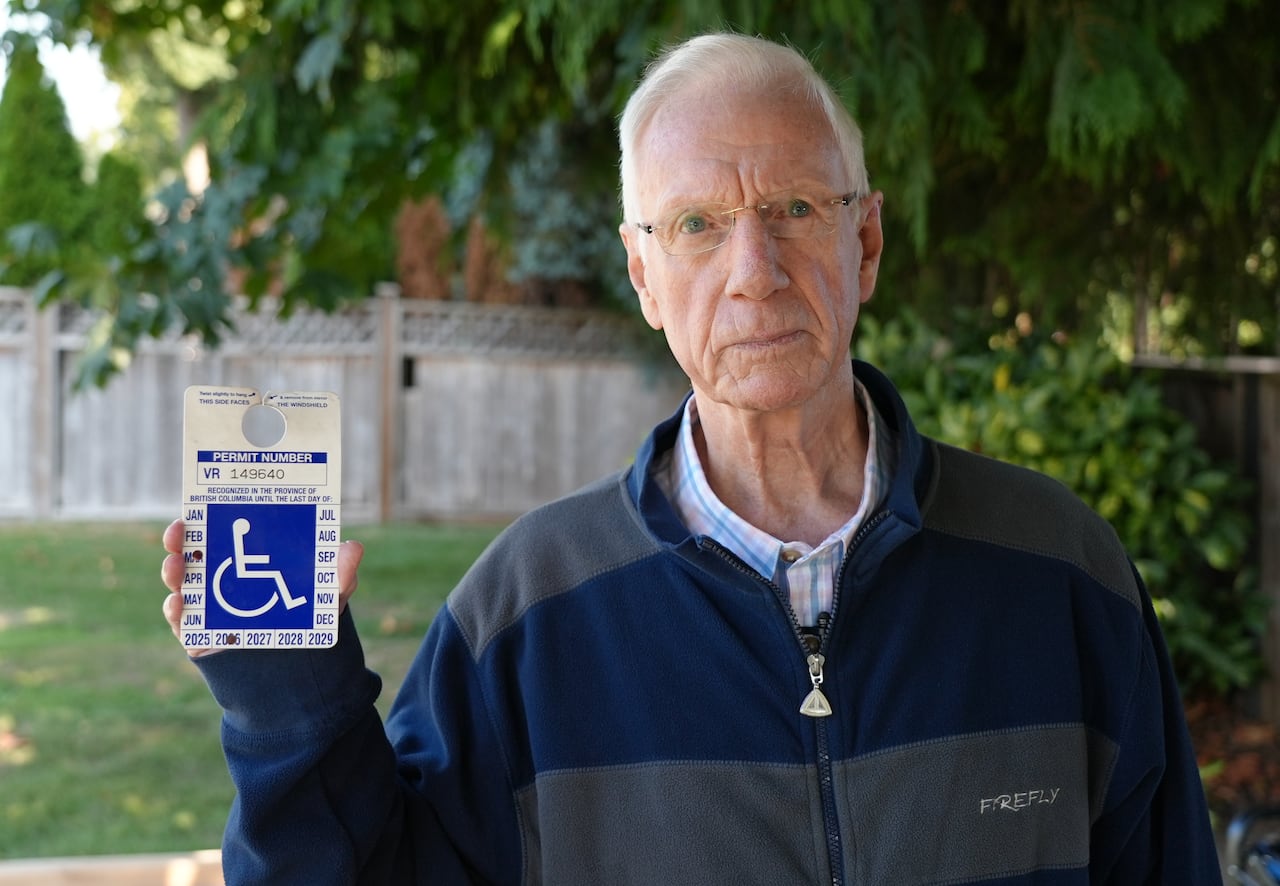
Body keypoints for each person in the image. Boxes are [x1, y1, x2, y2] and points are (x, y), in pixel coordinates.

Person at [161, 32, 1221, 885]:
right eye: (697, 224)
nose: (752, 271)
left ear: (865, 244)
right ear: (641, 274)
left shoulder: (1058, 571)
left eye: (794, 209)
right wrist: (287, 705)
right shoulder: (526, 615)